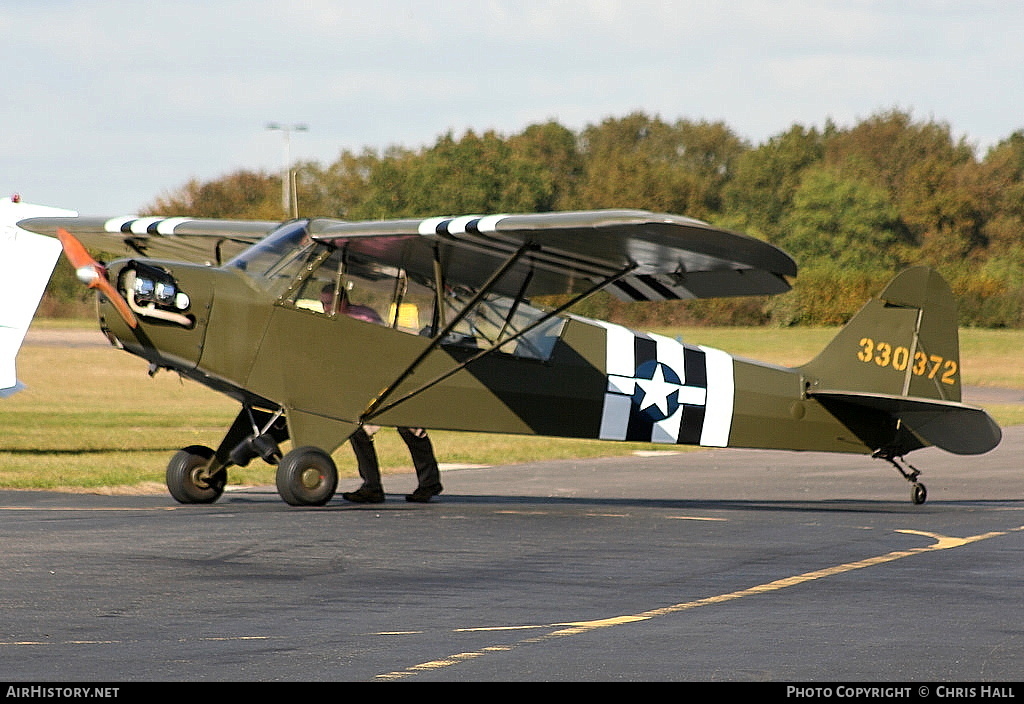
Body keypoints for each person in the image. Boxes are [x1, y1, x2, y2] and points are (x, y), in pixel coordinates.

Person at [319, 283, 444, 504]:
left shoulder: (362, 318)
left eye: (328, 303)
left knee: (411, 428)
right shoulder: (330, 322)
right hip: (363, 386)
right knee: (358, 430)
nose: (325, 307)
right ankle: (372, 486)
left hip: (388, 380)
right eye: (323, 303)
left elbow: (377, 349)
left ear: (343, 300)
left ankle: (429, 482)